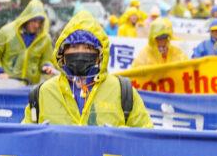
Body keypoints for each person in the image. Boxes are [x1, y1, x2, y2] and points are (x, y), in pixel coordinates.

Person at [24, 12, 152, 127]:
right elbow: (25, 142)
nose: (80, 53)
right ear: (62, 53)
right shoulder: (42, 93)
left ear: (100, 54)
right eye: (74, 47)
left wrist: (120, 137)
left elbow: (145, 138)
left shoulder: (123, 92)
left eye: (88, 48)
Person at [0, 0, 55, 84]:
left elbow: (47, 59)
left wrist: (47, 66)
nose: (37, 25)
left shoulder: (45, 39)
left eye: (40, 22)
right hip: (8, 86)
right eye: (34, 21)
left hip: (30, 88)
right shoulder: (7, 33)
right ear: (26, 19)